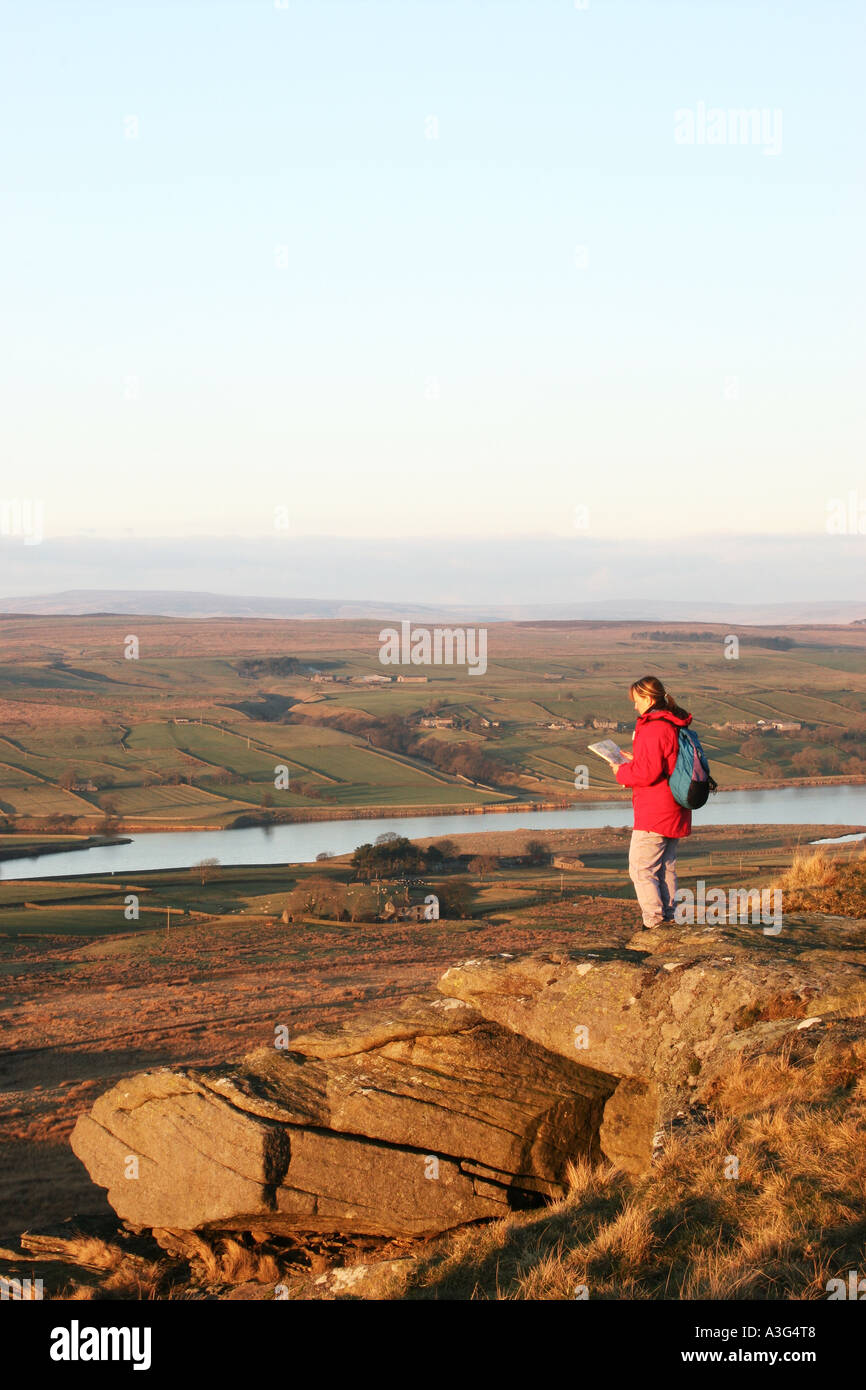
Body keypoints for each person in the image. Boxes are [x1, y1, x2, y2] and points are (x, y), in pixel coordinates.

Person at [614, 675, 693, 929]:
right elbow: (662, 761)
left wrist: (621, 772)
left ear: (648, 699)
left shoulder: (653, 726)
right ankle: (669, 917)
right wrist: (637, 758)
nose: (634, 706)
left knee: (641, 869)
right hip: (675, 807)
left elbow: (647, 774)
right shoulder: (672, 723)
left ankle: (654, 922)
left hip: (654, 812)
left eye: (636, 701)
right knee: (665, 867)